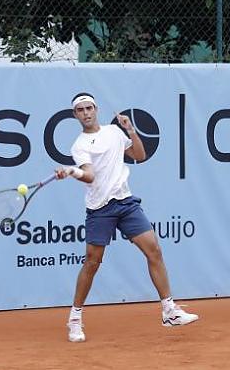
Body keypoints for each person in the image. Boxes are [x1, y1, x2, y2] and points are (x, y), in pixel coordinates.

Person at [55, 92, 198, 343]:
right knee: (92, 262)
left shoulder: (113, 132)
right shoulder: (79, 145)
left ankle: (169, 311)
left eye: (89, 108)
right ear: (75, 115)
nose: (86, 113)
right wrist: (73, 171)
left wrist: (130, 130)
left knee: (153, 250)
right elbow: (89, 176)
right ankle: (75, 318)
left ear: (96, 109)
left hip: (126, 203)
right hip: (100, 209)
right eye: (81, 110)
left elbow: (139, 156)